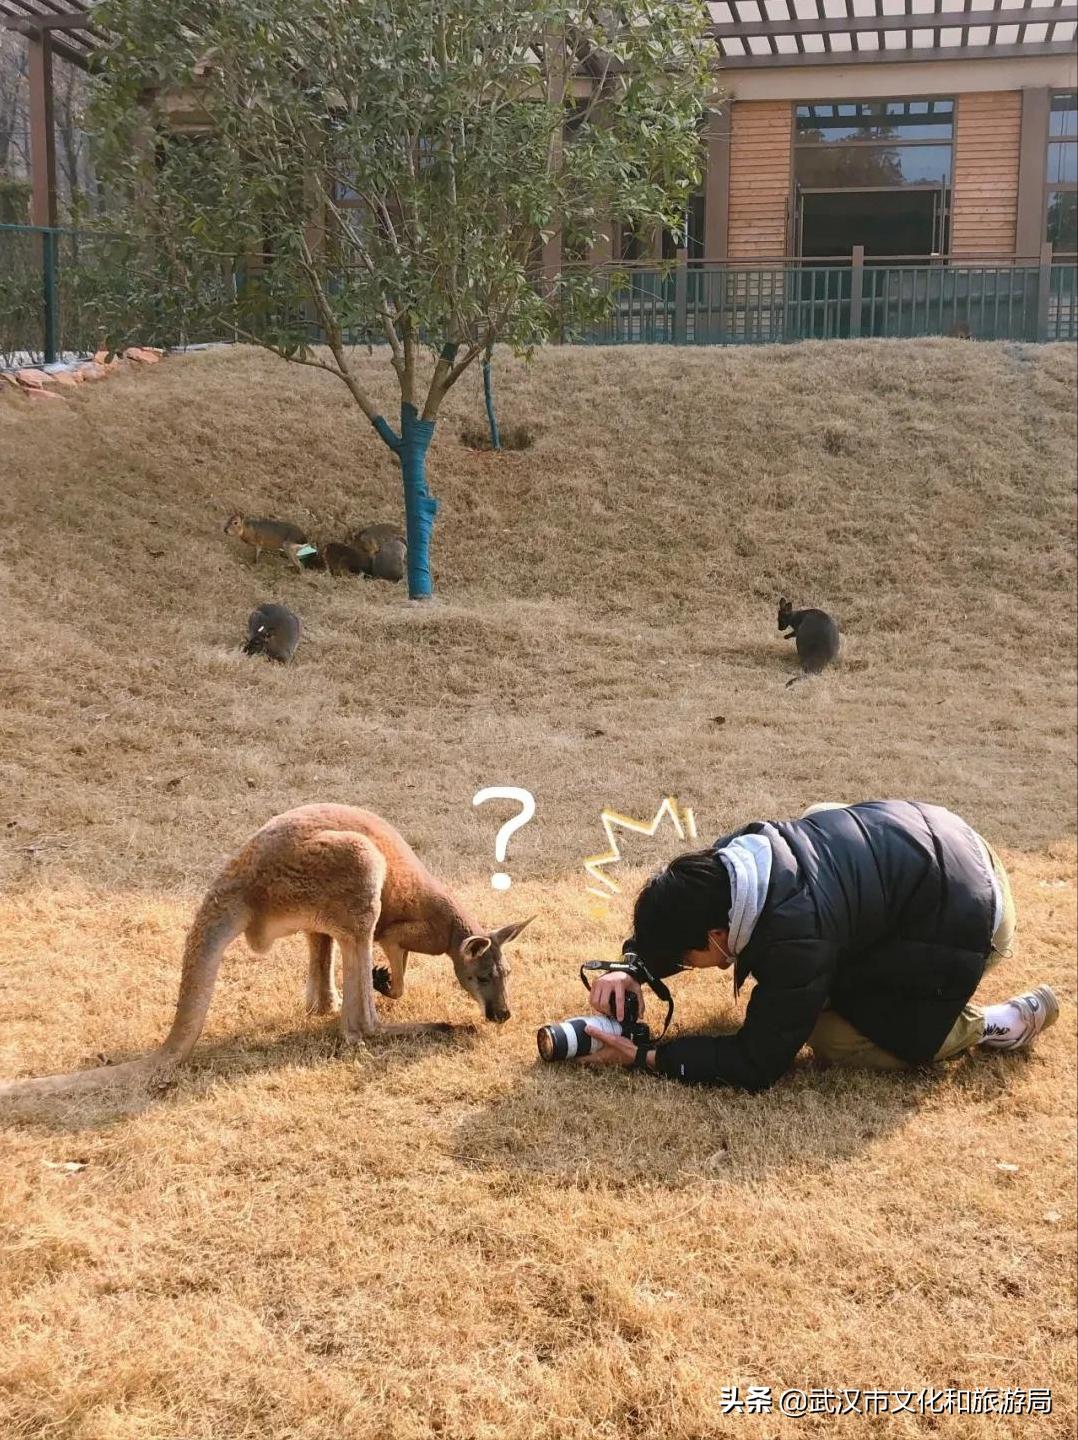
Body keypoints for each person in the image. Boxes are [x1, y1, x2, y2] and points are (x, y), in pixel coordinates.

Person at [580, 800, 1059, 1090]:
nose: (687, 965)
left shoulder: (796, 937)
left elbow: (757, 1063)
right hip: (953, 838)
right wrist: (632, 966)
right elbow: (683, 909)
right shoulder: (737, 855)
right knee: (819, 816)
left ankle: (994, 1023)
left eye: (687, 960)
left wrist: (647, 1058)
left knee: (834, 1033)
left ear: (716, 938)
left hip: (976, 919)